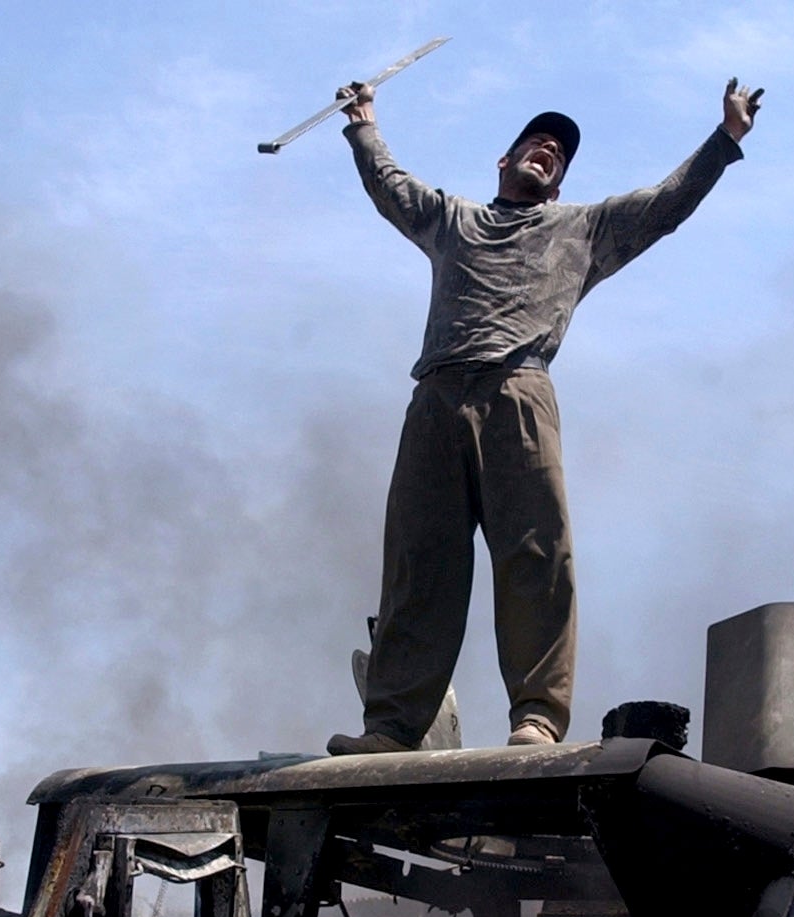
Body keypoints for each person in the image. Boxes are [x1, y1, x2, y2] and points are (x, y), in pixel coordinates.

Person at [326, 76, 763, 754]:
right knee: (420, 560)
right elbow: (390, 186)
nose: (549, 150)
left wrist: (726, 138)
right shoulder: (453, 219)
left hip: (520, 394)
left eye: (560, 153)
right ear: (504, 161)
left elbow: (665, 206)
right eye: (537, 141)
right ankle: (390, 726)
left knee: (536, 556)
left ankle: (536, 716)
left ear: (556, 186)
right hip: (437, 399)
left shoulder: (581, 228)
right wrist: (363, 123)